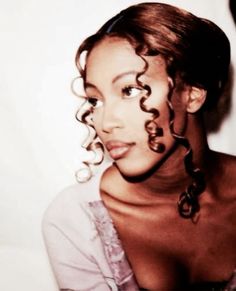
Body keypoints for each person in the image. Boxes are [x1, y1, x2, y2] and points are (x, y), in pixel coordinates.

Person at [42, 2, 236, 290]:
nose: (105, 122)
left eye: (130, 90)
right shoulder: (76, 222)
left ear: (192, 94)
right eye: (95, 100)